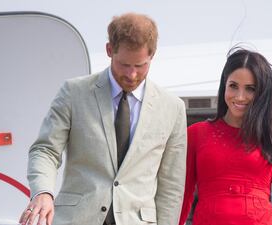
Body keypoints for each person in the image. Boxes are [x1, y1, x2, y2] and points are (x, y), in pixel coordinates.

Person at [19, 12, 187, 225]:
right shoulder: (73, 92)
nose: (132, 74)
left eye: (140, 65)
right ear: (109, 50)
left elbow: (171, 185)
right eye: (124, 64)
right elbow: (45, 150)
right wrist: (42, 192)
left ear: (152, 55)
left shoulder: (173, 108)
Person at [179, 47, 272, 225]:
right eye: (233, 86)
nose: (240, 97)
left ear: (262, 93)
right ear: (224, 85)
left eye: (250, 89)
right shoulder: (196, 134)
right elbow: (183, 196)